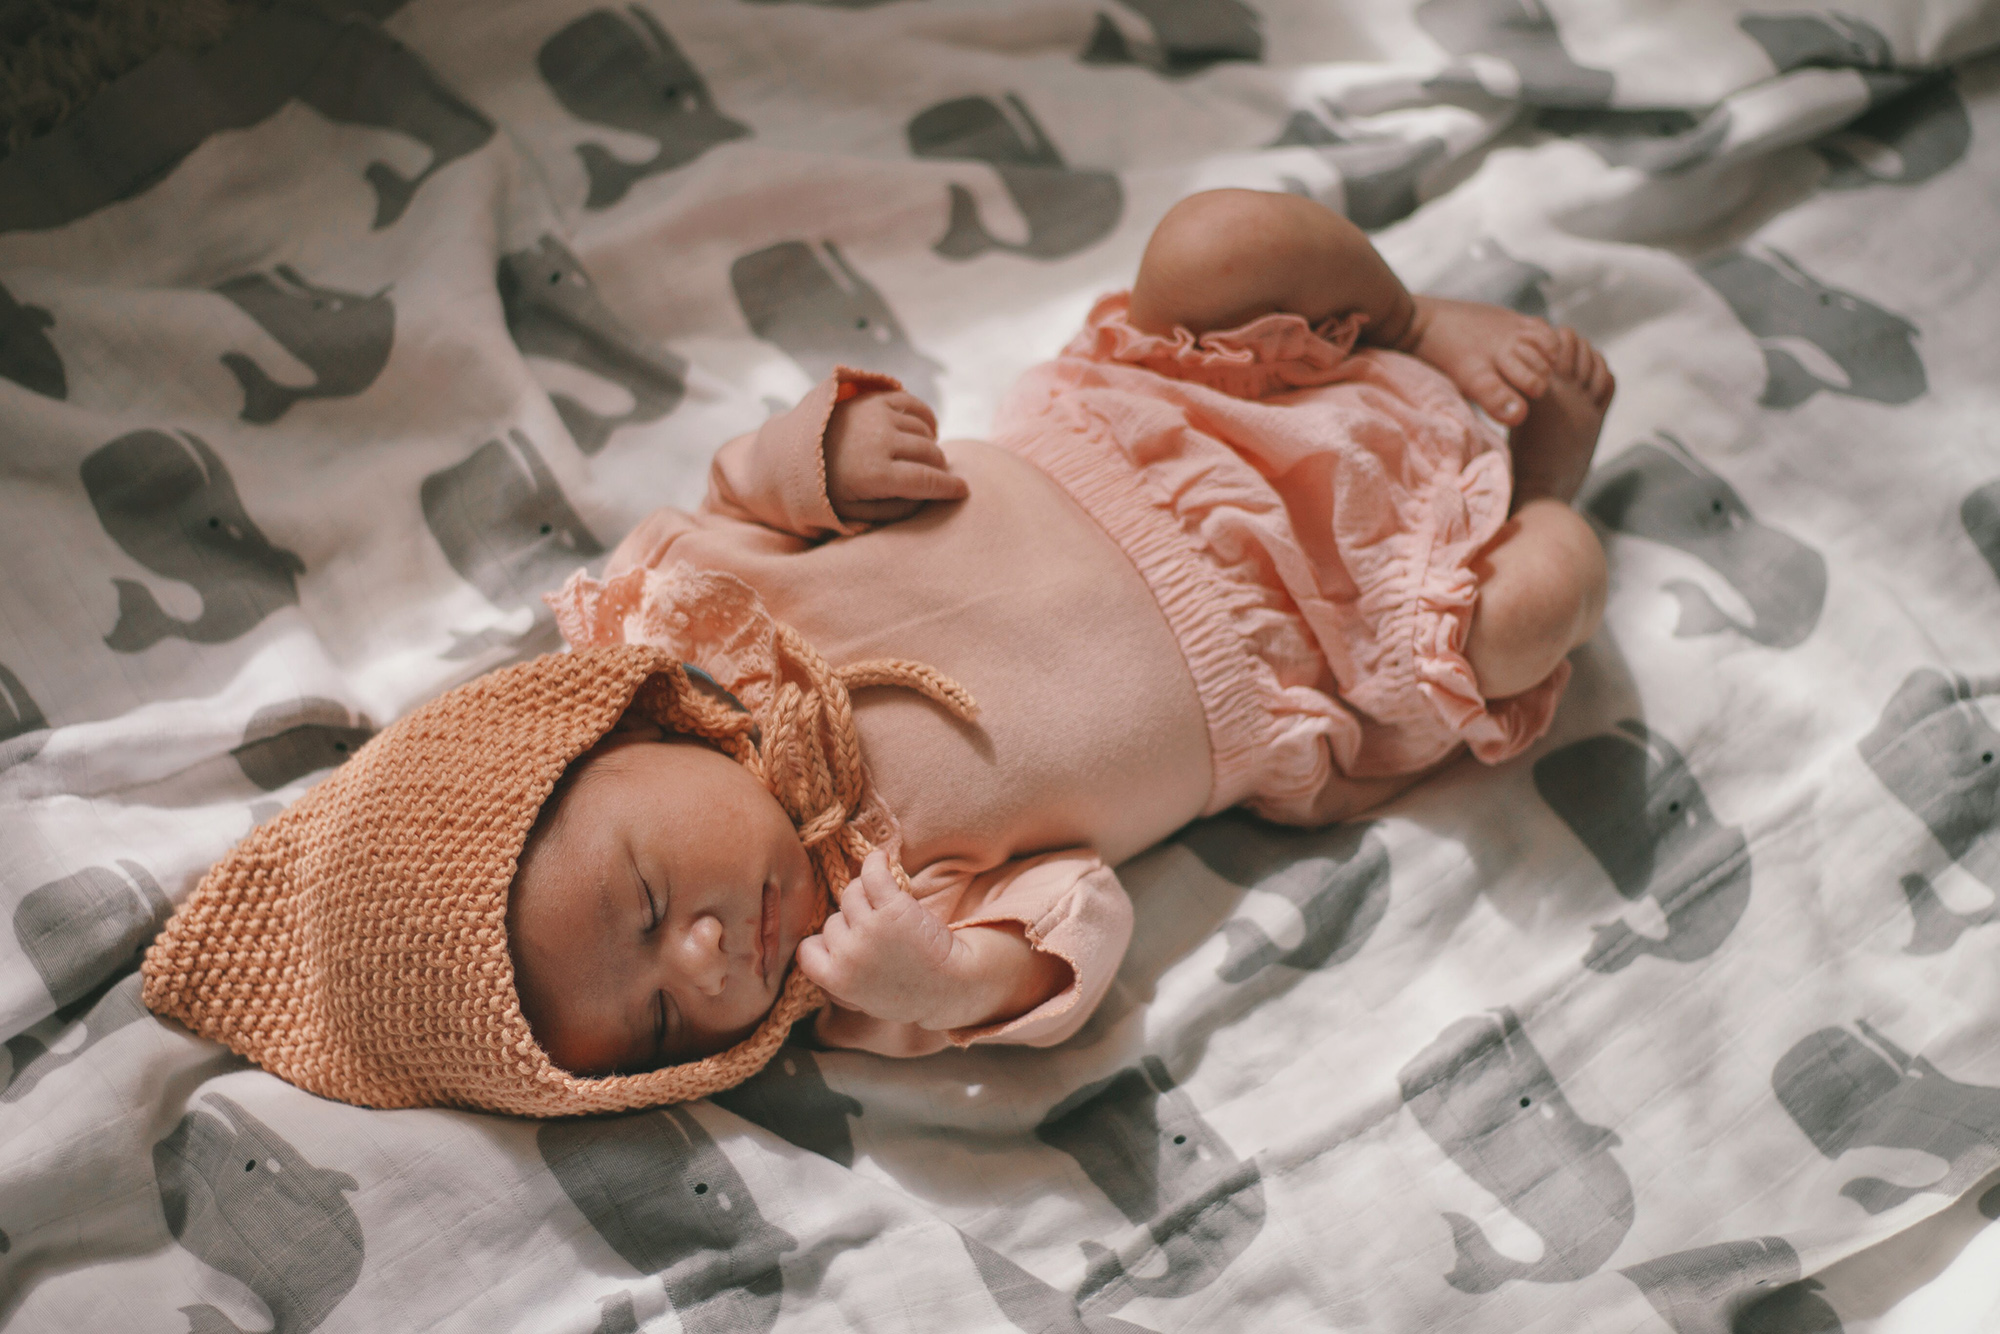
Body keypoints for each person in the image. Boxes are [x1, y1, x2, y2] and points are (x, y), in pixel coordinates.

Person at [141, 189, 1612, 1116]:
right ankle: (1537, 482)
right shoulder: (869, 936)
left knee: (1217, 242)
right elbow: (1076, 913)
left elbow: (745, 487)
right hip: (1309, 632)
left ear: (609, 738)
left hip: (1150, 426)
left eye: (652, 897)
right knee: (1531, 612)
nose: (710, 955)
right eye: (661, 1012)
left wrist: (824, 453)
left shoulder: (699, 615)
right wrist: (950, 984)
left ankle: (1412, 322)